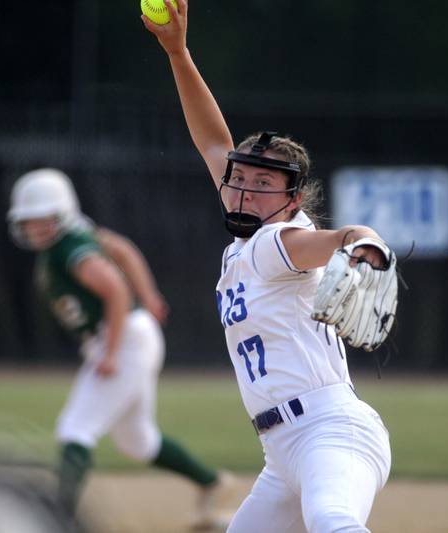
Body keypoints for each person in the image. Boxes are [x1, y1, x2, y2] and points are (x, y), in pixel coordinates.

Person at [142, 3, 394, 532]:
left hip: (331, 434)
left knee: (333, 522)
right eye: (241, 179)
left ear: (292, 197)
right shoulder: (250, 224)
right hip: (281, 454)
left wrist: (366, 242)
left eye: (263, 185)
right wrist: (178, 52)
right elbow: (214, 142)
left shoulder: (276, 239)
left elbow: (340, 238)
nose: (245, 191)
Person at [6, 167, 235, 531]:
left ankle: (56, 515)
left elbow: (114, 290)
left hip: (123, 339)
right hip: (129, 335)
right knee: (136, 441)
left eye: (43, 219)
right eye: (29, 221)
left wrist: (111, 352)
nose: (35, 227)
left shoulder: (70, 247)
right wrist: (149, 295)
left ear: (61, 213)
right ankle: (211, 482)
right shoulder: (79, 235)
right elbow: (123, 250)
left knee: (76, 427)